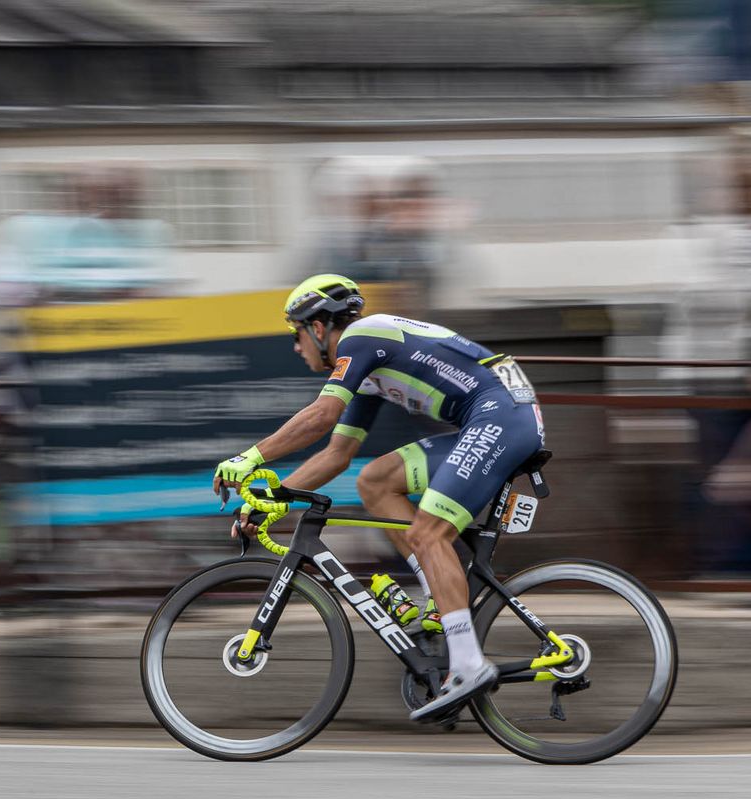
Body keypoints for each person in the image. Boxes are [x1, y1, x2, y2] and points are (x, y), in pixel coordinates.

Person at [212, 274, 546, 721]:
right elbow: (336, 454)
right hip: (496, 417)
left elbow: (320, 416)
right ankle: (436, 597)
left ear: (317, 326)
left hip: (501, 418)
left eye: (296, 333)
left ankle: (468, 664)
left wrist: (249, 457)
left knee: (429, 534)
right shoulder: (367, 369)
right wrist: (269, 497)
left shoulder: (361, 336)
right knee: (374, 481)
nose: (296, 346)